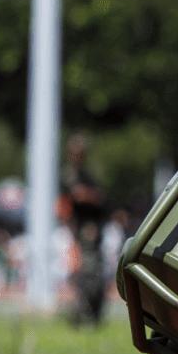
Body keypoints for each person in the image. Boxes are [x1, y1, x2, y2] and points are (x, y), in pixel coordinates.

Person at [60, 132, 107, 325]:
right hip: (83, 230)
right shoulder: (70, 175)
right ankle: (82, 315)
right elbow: (74, 199)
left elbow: (98, 197)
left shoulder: (86, 175)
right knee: (87, 274)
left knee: (94, 274)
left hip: (92, 230)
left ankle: (91, 315)